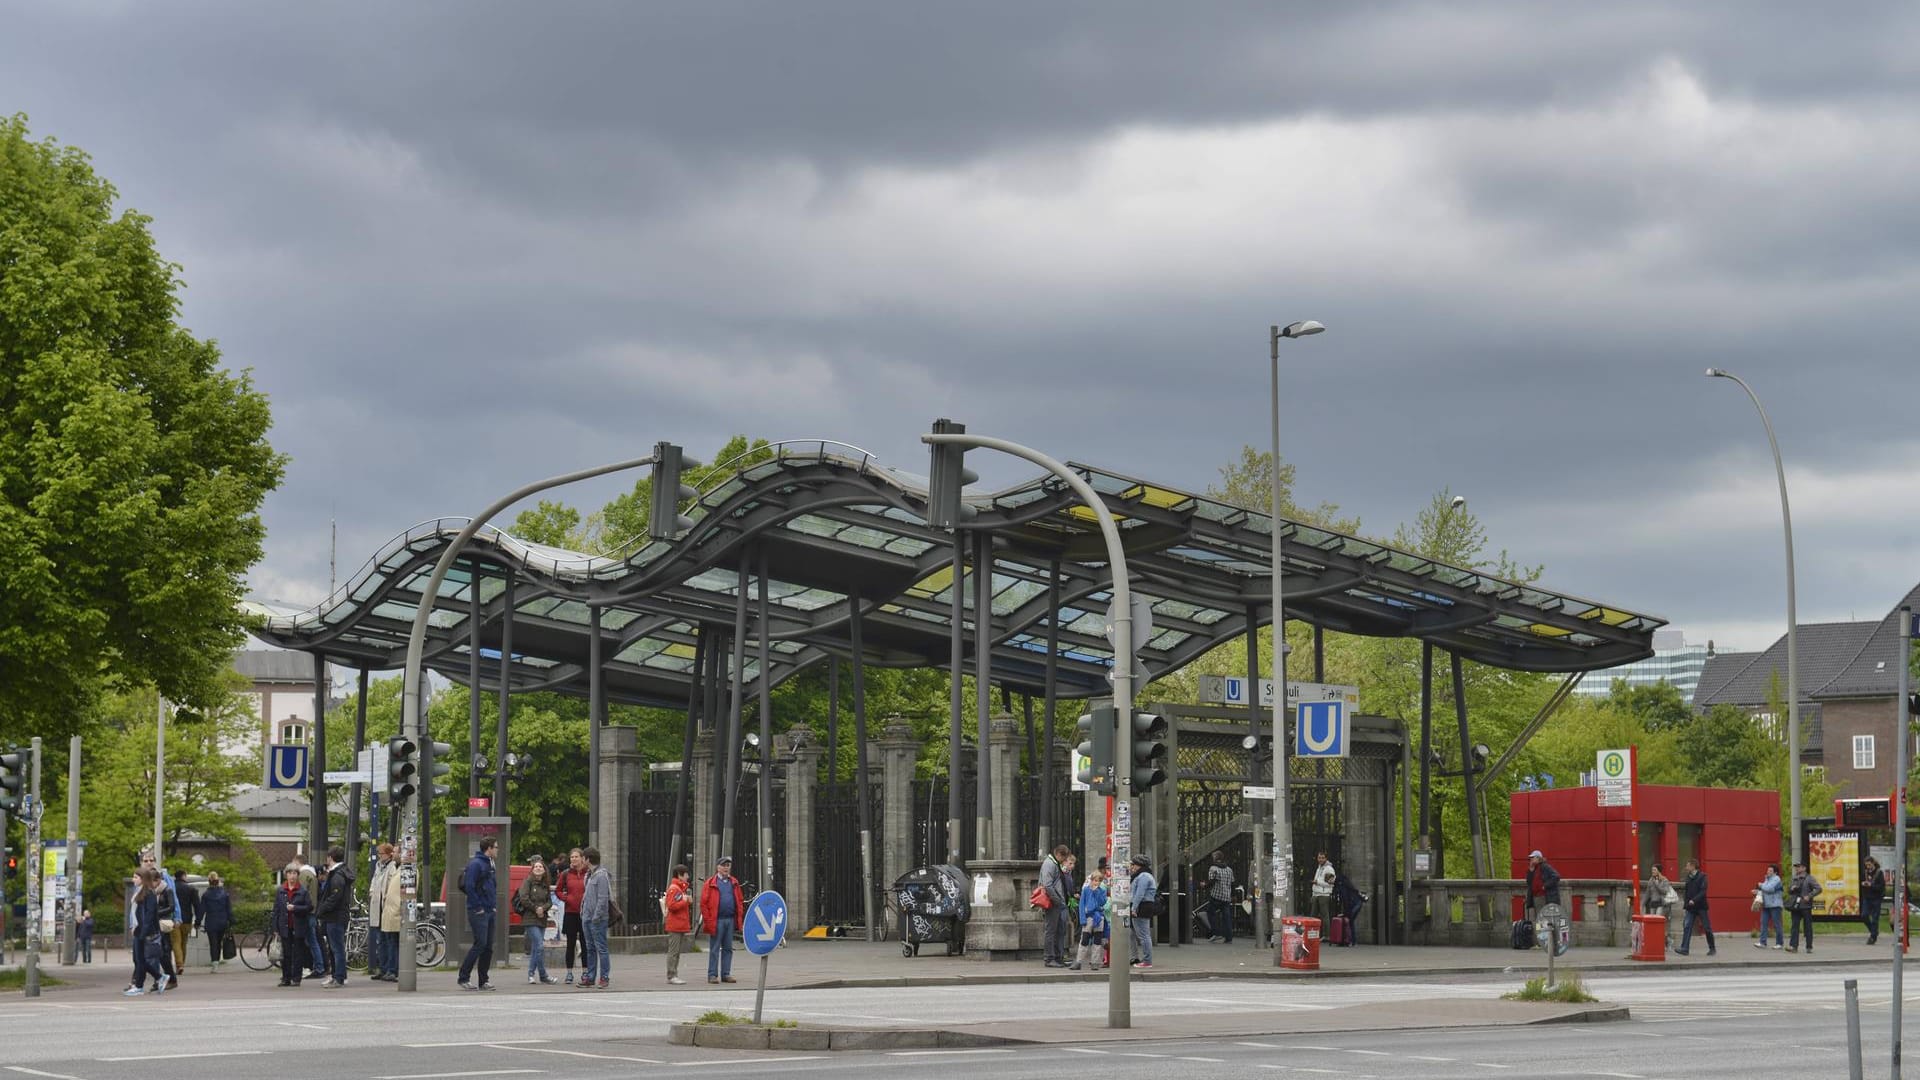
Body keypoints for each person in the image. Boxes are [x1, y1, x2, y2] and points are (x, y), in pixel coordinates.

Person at [456, 836, 499, 991]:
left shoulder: (489, 863)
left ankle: (483, 980)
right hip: (479, 911)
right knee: (480, 944)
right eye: (495, 847)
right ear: (489, 848)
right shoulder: (476, 864)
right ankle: (464, 977)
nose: (497, 850)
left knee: (487, 946)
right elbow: (470, 886)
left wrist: (492, 906)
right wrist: (478, 906)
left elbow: (491, 886)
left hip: (488, 909)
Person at [701, 855, 745, 985]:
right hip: (717, 920)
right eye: (723, 865)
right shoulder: (710, 883)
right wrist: (708, 921)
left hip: (730, 919)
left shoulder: (734, 882)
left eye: (728, 865)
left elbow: (739, 900)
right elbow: (703, 904)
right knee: (714, 948)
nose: (726, 868)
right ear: (718, 867)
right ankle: (712, 975)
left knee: (728, 948)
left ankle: (726, 974)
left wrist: (739, 918)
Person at [124, 868, 168, 996]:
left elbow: (149, 915)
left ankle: (140, 986)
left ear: (143, 879)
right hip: (139, 929)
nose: (133, 880)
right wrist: (134, 927)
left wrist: (143, 932)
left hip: (145, 931)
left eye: (136, 877)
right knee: (139, 960)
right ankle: (159, 977)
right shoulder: (138, 892)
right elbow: (135, 913)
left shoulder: (149, 894)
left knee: (140, 959)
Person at [315, 845, 354, 987]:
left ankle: (338, 977)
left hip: (335, 916)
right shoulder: (341, 872)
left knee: (336, 948)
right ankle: (337, 975)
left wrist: (321, 909)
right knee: (334, 947)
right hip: (336, 916)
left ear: (330, 858)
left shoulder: (337, 875)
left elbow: (334, 896)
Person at [515, 856, 558, 985]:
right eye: (536, 867)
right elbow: (524, 898)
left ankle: (535, 975)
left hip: (541, 919)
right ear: (532, 870)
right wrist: (536, 909)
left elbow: (549, 902)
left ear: (544, 870)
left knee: (536, 948)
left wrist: (543, 908)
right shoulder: (527, 882)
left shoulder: (545, 885)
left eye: (540, 867)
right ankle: (540, 975)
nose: (538, 868)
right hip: (530, 918)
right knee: (539, 945)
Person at [578, 846, 614, 989]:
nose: (581, 860)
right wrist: (583, 913)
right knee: (590, 948)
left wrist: (596, 916)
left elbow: (602, 899)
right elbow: (587, 897)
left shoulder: (601, 875)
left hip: (597, 919)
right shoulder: (588, 875)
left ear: (588, 859)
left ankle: (604, 977)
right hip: (586, 917)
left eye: (583, 857)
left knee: (601, 948)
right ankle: (590, 977)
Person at [272, 865, 312, 987]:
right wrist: (275, 928)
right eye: (290, 873)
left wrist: (296, 908)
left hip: (298, 926)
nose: (292, 876)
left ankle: (296, 978)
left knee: (298, 953)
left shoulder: (302, 891)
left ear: (298, 875)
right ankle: (286, 978)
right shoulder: (280, 890)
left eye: (295, 873)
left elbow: (309, 907)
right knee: (286, 953)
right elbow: (276, 910)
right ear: (286, 875)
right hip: (284, 926)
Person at [1038, 844, 1074, 967]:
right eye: (1063, 858)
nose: (1064, 861)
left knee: (1060, 931)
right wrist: (1057, 900)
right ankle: (1049, 958)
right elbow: (1047, 885)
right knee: (1051, 931)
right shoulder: (1049, 864)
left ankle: (1058, 957)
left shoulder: (1054, 863)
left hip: (1058, 902)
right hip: (1053, 903)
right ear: (1058, 855)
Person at [554, 848, 586, 985]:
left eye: (576, 857)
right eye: (572, 857)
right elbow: (558, 890)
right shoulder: (566, 874)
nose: (573, 859)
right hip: (570, 913)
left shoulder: (587, 873)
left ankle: (585, 972)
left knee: (585, 944)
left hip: (585, 913)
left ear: (582, 858)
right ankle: (569, 973)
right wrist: (566, 898)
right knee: (570, 944)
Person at [1676, 859, 1716, 956]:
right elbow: (1686, 892)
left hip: (1701, 906)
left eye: (1688, 865)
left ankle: (1712, 948)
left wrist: (1694, 900)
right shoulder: (1688, 878)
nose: (1686, 867)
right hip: (1690, 907)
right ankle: (1684, 948)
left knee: (1707, 927)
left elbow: (1703, 891)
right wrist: (1686, 905)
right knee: (1687, 926)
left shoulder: (1702, 877)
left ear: (1693, 866)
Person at [367, 843, 395, 980]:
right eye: (378, 853)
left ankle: (391, 968)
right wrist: (372, 892)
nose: (379, 856)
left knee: (389, 940)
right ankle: (383, 968)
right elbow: (374, 882)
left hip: (386, 906)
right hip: (377, 906)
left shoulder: (392, 867)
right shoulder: (378, 866)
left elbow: (391, 886)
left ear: (389, 854)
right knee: (381, 940)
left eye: (381, 853)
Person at [663, 863, 694, 985]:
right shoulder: (675, 889)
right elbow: (672, 905)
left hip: (678, 924)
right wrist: (685, 901)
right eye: (686, 874)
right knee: (674, 951)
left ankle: (673, 973)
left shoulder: (679, 888)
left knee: (676, 952)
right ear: (680, 875)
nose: (688, 876)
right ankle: (671, 975)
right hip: (675, 925)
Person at [1072, 867, 1107, 971]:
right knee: (1084, 940)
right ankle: (1079, 961)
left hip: (1098, 918)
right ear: (1091, 880)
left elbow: (1102, 902)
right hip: (1088, 918)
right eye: (1095, 880)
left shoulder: (1101, 891)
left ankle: (1095, 962)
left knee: (1097, 941)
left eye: (1099, 881)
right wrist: (1082, 919)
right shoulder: (1086, 890)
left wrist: (1097, 892)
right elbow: (1082, 905)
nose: (1096, 883)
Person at [1127, 853, 1156, 969]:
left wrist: (1134, 908)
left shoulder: (1143, 876)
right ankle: (1139, 957)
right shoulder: (1143, 875)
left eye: (1133, 864)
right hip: (1142, 906)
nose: (1132, 867)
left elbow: (1139, 894)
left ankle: (1147, 961)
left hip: (1142, 907)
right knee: (1137, 933)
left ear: (1139, 865)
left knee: (1143, 935)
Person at [200, 871, 233, 972]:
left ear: (209, 881)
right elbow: (229, 909)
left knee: (213, 943)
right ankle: (217, 961)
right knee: (218, 942)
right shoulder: (224, 894)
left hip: (211, 922)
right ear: (218, 881)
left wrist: (197, 922)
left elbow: (202, 910)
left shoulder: (206, 895)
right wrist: (232, 920)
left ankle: (215, 964)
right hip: (222, 921)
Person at [1787, 860, 1822, 954]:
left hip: (1806, 906)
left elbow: (1819, 888)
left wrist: (1809, 896)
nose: (1797, 868)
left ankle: (1809, 946)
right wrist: (1791, 888)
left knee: (1808, 927)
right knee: (1794, 926)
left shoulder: (1809, 878)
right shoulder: (1794, 878)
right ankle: (1793, 946)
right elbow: (1789, 891)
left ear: (1804, 868)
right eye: (1796, 867)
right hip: (1795, 906)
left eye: (1798, 866)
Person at [170, 867, 199, 977]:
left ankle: (179, 965)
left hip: (174, 920)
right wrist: (197, 921)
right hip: (187, 920)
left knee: (176, 942)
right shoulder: (191, 889)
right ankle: (182, 964)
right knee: (183, 943)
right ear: (183, 876)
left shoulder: (171, 888)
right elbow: (197, 905)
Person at [1204, 850, 1235, 944]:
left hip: (1216, 896)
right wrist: (1233, 895)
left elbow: (1212, 881)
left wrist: (1204, 885)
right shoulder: (1229, 869)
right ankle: (1229, 937)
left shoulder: (1213, 868)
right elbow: (1232, 883)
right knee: (1226, 917)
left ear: (1215, 858)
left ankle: (1216, 932)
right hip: (1226, 896)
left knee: (1210, 913)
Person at [1644, 864, 1679, 944]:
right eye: (1652, 870)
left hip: (1661, 904)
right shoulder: (1651, 880)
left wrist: (1657, 884)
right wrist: (1643, 903)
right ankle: (1656, 941)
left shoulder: (1664, 880)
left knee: (1658, 921)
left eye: (1654, 870)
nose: (1652, 872)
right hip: (1653, 904)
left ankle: (1663, 941)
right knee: (1652, 923)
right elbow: (1647, 892)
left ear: (1659, 871)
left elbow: (1665, 891)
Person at [1753, 864, 1785, 949]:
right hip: (1766, 905)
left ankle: (1779, 943)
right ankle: (1762, 942)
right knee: (1763, 923)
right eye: (1768, 870)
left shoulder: (1777, 879)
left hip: (1775, 905)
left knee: (1777, 925)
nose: (1768, 872)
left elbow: (1769, 889)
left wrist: (1760, 885)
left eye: (1770, 871)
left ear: (1775, 872)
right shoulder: (1766, 880)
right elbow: (1765, 890)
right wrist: (1757, 891)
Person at [1863, 857, 1886, 945]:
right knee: (1864, 915)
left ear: (1873, 863)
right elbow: (1863, 882)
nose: (1868, 867)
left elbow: (1881, 887)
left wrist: (1871, 885)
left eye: (1869, 865)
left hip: (1876, 898)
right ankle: (1874, 931)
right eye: (1866, 865)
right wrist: (1864, 884)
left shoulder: (1879, 873)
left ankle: (1873, 937)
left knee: (1875, 918)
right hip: (1867, 897)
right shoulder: (1865, 872)